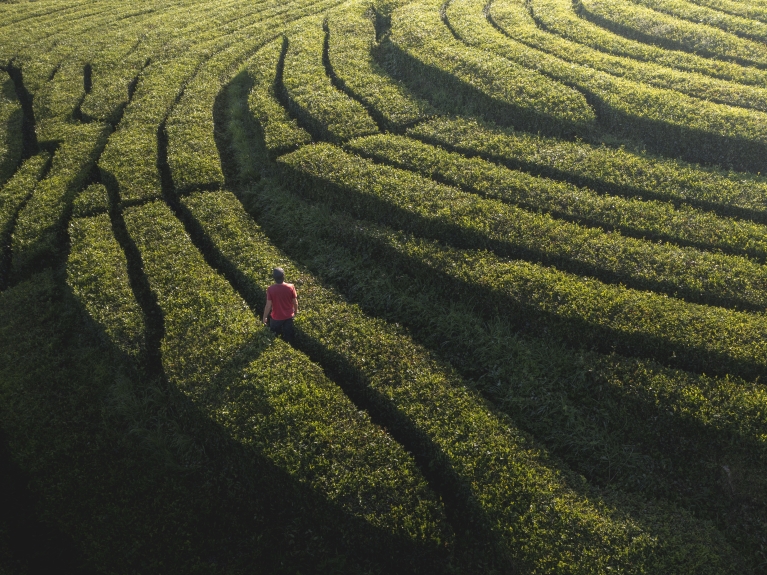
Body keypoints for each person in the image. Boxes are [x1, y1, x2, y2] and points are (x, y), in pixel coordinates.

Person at [263, 267, 297, 342]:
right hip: (289, 316)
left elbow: (268, 306)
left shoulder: (270, 289)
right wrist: (296, 311)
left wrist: (265, 317)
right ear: (283, 276)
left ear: (274, 278)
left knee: (273, 335)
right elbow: (295, 302)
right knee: (288, 335)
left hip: (276, 317)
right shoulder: (291, 287)